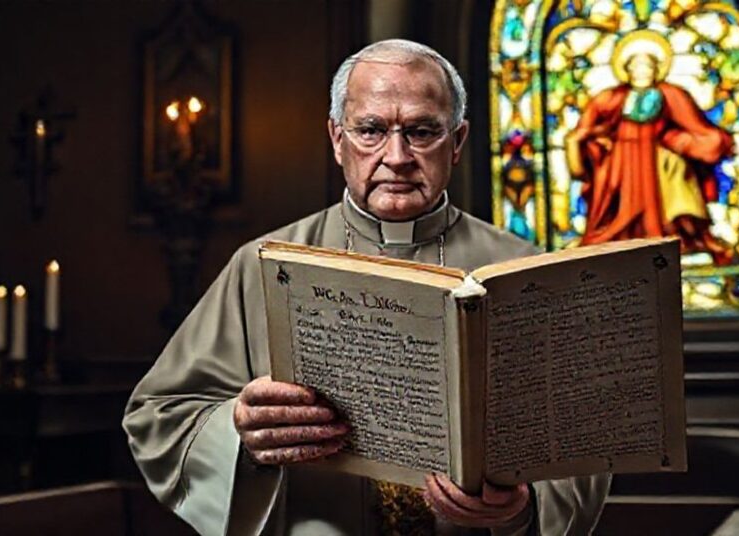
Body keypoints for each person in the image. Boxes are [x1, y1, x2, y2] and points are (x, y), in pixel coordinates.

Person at [124, 39, 610, 536]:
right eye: (371, 130)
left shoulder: (525, 270)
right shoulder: (262, 264)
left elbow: (583, 443)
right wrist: (239, 432)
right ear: (337, 139)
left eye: (422, 131)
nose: (396, 156)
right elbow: (159, 419)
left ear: (458, 141)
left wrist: (521, 509)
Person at [565, 30, 734, 262]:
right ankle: (619, 244)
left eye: (648, 67)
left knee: (673, 180)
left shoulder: (671, 95)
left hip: (654, 158)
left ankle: (672, 238)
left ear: (657, 70)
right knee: (618, 208)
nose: (642, 71)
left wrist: (682, 142)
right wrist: (589, 139)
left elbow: (692, 125)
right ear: (626, 70)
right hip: (622, 160)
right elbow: (589, 128)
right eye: (637, 66)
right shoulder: (611, 97)